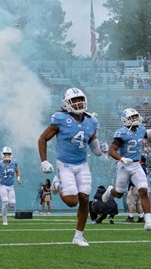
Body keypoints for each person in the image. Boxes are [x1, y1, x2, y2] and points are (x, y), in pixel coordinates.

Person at [38, 88, 107, 246]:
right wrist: (44, 161)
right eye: (74, 100)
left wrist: (101, 151)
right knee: (71, 201)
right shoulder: (61, 118)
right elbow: (42, 139)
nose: (78, 103)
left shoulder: (91, 121)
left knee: (84, 198)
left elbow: (94, 148)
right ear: (67, 104)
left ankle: (78, 236)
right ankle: (57, 183)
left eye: (80, 99)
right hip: (65, 164)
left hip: (82, 164)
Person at [103, 107, 151, 231]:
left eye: (136, 116)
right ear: (125, 120)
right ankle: (110, 191)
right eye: (132, 117)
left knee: (143, 190)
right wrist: (121, 159)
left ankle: (148, 222)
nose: (135, 119)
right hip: (124, 165)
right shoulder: (122, 133)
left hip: (136, 165)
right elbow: (111, 150)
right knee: (119, 193)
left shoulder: (140, 129)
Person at [0, 146, 20, 225]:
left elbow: (17, 171)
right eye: (5, 154)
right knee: (5, 201)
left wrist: (18, 178)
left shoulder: (14, 162)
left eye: (8, 154)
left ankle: (6, 215)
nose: (7, 155)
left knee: (12, 204)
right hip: (2, 185)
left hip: (11, 186)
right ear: (2, 154)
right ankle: (5, 219)